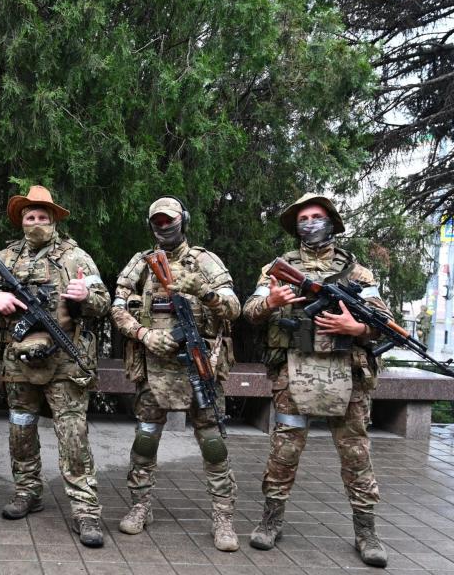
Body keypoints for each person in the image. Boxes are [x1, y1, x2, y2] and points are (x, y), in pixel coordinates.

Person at [243, 193, 389, 567]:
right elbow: (250, 311)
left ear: (332, 221)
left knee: (355, 453)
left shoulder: (358, 273)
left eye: (316, 216)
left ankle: (366, 531)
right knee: (285, 450)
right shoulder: (277, 269)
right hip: (295, 373)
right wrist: (272, 302)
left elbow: (382, 324)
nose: (309, 222)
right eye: (303, 218)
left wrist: (355, 326)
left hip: (347, 376)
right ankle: (270, 521)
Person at [0, 185, 108, 548]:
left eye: (42, 217)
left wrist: (85, 297)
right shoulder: (5, 257)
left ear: (54, 220)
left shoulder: (77, 257)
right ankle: (27, 490)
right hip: (18, 359)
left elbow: (103, 301)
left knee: (72, 433)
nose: (35, 222)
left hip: (65, 360)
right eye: (29, 217)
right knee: (21, 427)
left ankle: (85, 509)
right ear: (21, 221)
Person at [110, 196, 240, 551]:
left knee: (213, 443)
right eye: (158, 220)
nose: (164, 225)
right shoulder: (141, 263)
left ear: (183, 219)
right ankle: (140, 506)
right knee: (146, 438)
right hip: (154, 367)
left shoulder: (205, 261)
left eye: (170, 219)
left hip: (199, 364)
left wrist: (205, 292)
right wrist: (144, 334)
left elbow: (234, 308)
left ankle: (224, 517)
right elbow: (118, 307)